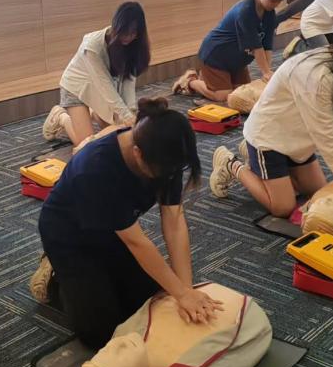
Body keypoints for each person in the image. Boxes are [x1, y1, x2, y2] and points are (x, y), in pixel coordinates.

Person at [35, 97, 222, 349]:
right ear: (137, 153)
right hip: (69, 238)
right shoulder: (96, 168)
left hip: (113, 233)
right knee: (102, 334)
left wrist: (185, 289)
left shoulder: (165, 152)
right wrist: (181, 293)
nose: (167, 178)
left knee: (151, 301)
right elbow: (136, 242)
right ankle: (54, 277)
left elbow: (174, 222)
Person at [209, 25, 333, 218]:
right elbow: (325, 132)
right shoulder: (317, 74)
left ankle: (258, 162)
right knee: (283, 207)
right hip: (268, 138)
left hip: (298, 142)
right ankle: (230, 164)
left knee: (317, 193)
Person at [44, 2, 149, 146]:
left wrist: (131, 112)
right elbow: (104, 86)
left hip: (100, 93)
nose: (129, 37)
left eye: (134, 33)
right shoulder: (92, 46)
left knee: (120, 135)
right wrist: (126, 116)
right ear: (116, 26)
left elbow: (128, 82)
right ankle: (61, 117)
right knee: (87, 145)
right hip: (76, 89)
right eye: (125, 32)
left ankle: (95, 113)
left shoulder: (133, 46)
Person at [173, 0, 287, 102]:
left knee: (241, 95)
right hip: (216, 57)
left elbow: (267, 45)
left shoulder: (269, 13)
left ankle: (209, 80)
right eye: (273, 1)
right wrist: (265, 72)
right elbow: (256, 47)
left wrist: (267, 72)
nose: (276, 5)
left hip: (237, 61)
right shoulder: (246, 11)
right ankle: (190, 81)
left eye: (279, 1)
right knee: (223, 96)